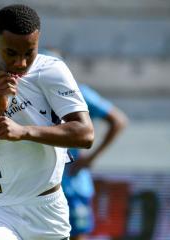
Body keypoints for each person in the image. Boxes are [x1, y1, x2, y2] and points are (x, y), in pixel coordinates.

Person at [0, 4, 94, 240]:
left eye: (29, 52)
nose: (21, 63)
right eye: (12, 53)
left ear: (38, 41)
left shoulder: (53, 71)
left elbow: (85, 134)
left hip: (48, 209)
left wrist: (24, 132)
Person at [40, 48, 128, 240]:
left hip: (70, 184)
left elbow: (118, 121)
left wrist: (91, 159)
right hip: (42, 186)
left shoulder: (78, 93)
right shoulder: (31, 97)